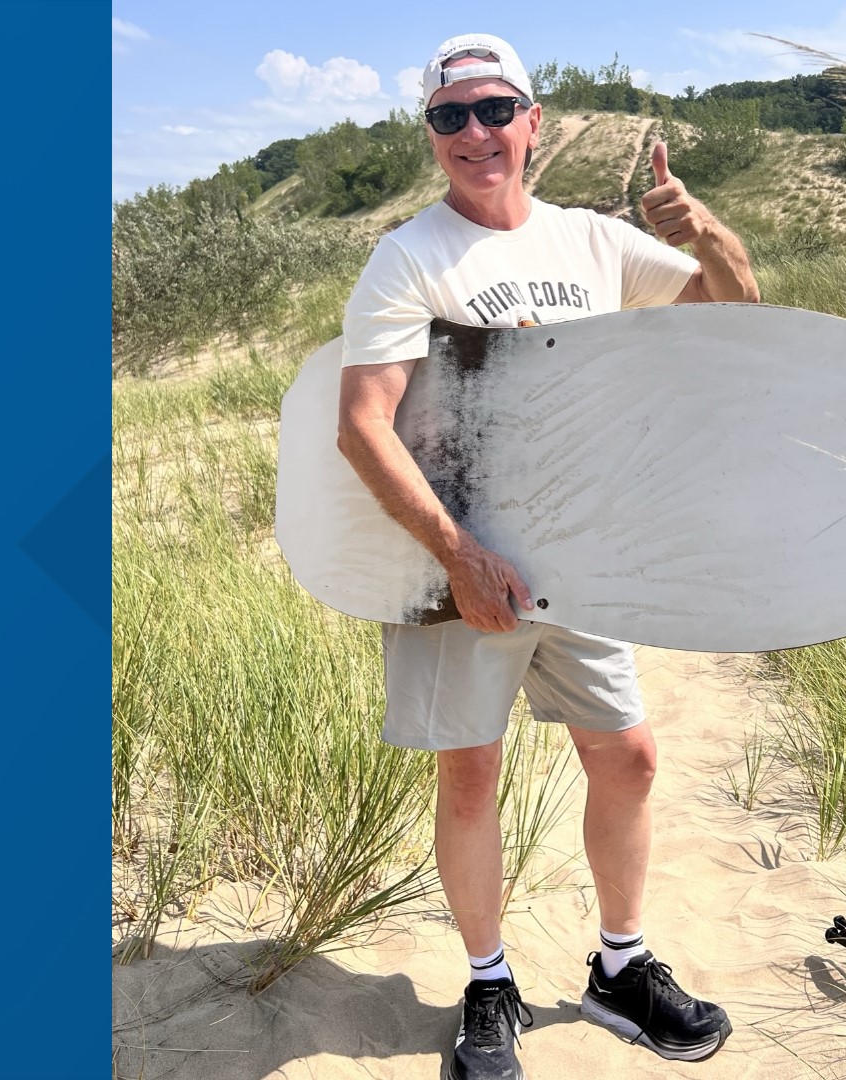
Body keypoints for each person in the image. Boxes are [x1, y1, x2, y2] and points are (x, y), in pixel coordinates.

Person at [335, 33, 759, 1080]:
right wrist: (459, 554)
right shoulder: (409, 257)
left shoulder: (592, 242)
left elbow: (738, 318)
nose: (475, 133)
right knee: (471, 776)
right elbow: (362, 425)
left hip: (580, 558)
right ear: (432, 134)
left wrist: (704, 228)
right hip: (458, 569)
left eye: (496, 110)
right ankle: (489, 984)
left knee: (630, 757)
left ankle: (621, 968)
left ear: (533, 121)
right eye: (451, 116)